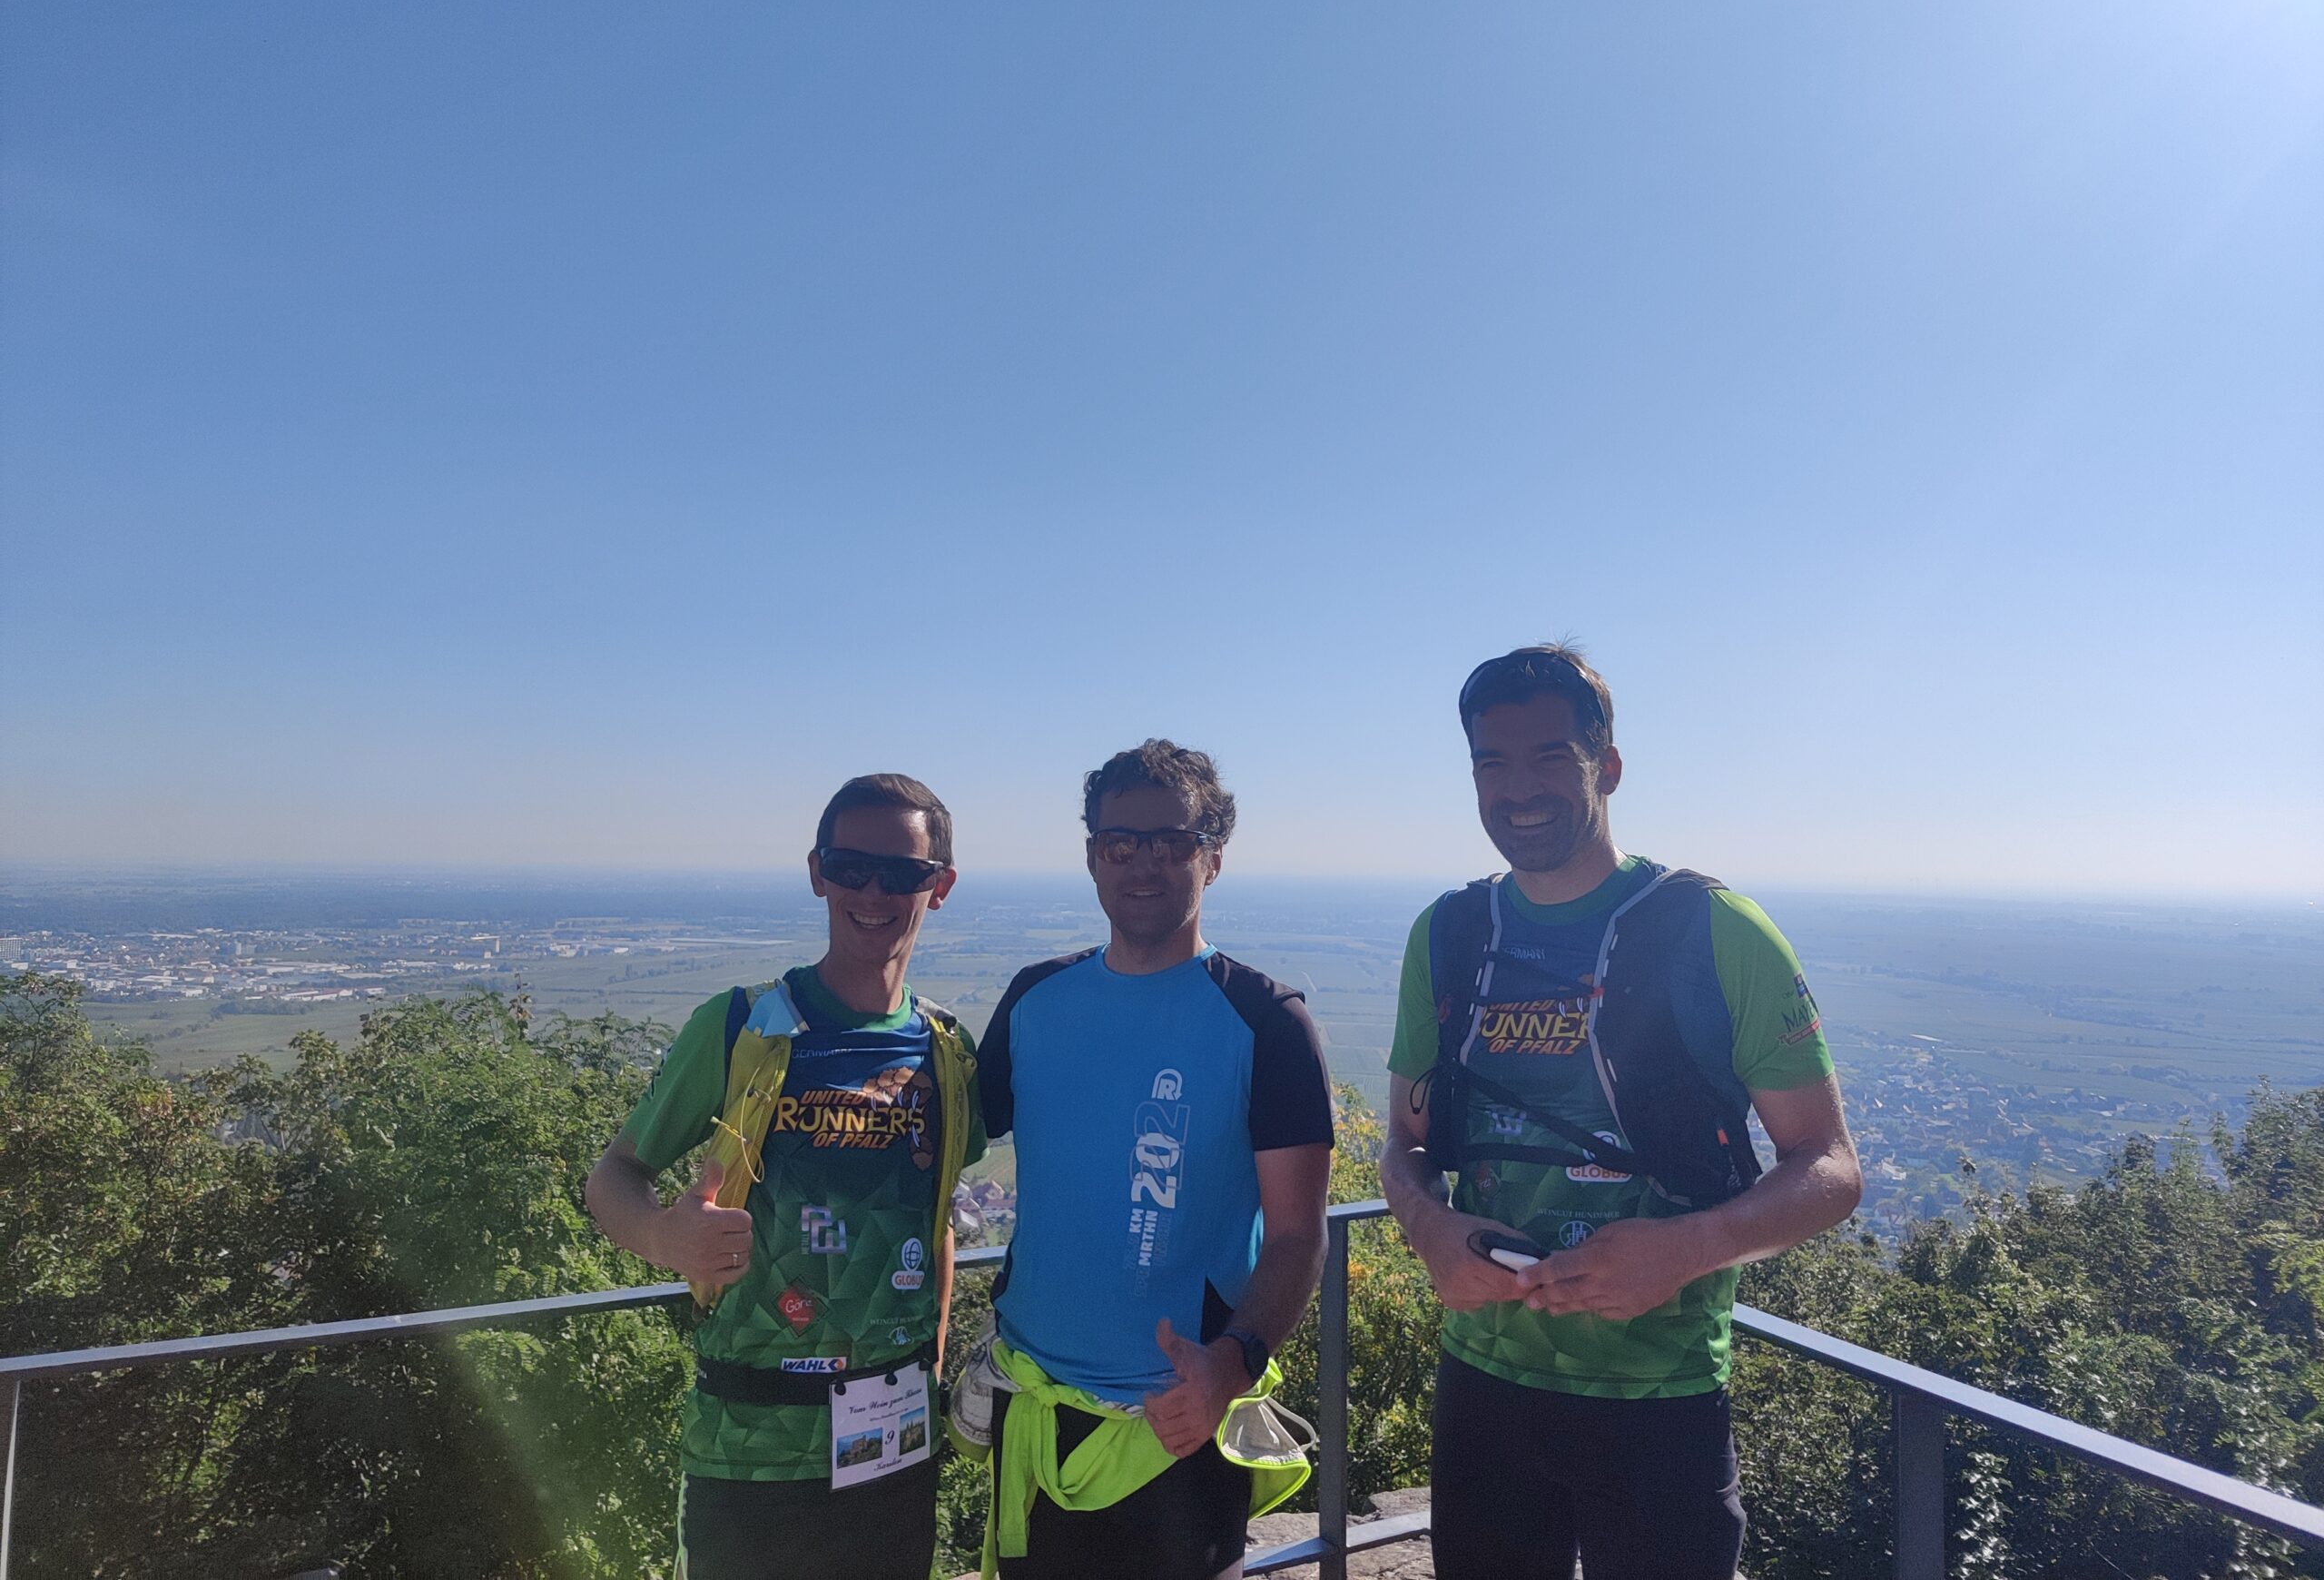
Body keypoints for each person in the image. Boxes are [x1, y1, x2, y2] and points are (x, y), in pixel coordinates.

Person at [1378, 646, 1864, 1580]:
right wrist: (1431, 1231)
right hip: (1483, 1385)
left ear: (1608, 767)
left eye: (1549, 757)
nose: (1518, 789)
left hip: (1660, 1395)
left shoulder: (1715, 928)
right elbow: (1404, 1144)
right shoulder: (1448, 934)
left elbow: (1830, 1167)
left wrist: (1686, 1249)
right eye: (1491, 763)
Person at [585, 773, 984, 1580]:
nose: (873, 892)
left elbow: (932, 1218)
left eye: (901, 873)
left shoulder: (946, 1051)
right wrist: (664, 1237)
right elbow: (613, 1177)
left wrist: (933, 1367)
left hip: (895, 1448)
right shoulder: (743, 1026)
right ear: (816, 873)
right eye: (850, 867)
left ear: (939, 887)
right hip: (749, 1453)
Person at [974, 740, 1334, 1580]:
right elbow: (938, 1139)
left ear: (1214, 856)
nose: (1143, 863)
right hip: (1033, 1407)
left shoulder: (1267, 1022)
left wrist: (1229, 1368)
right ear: (1092, 855)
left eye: (1172, 842)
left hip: (1182, 1419)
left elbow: (1297, 1236)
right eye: (1120, 843)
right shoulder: (1034, 999)